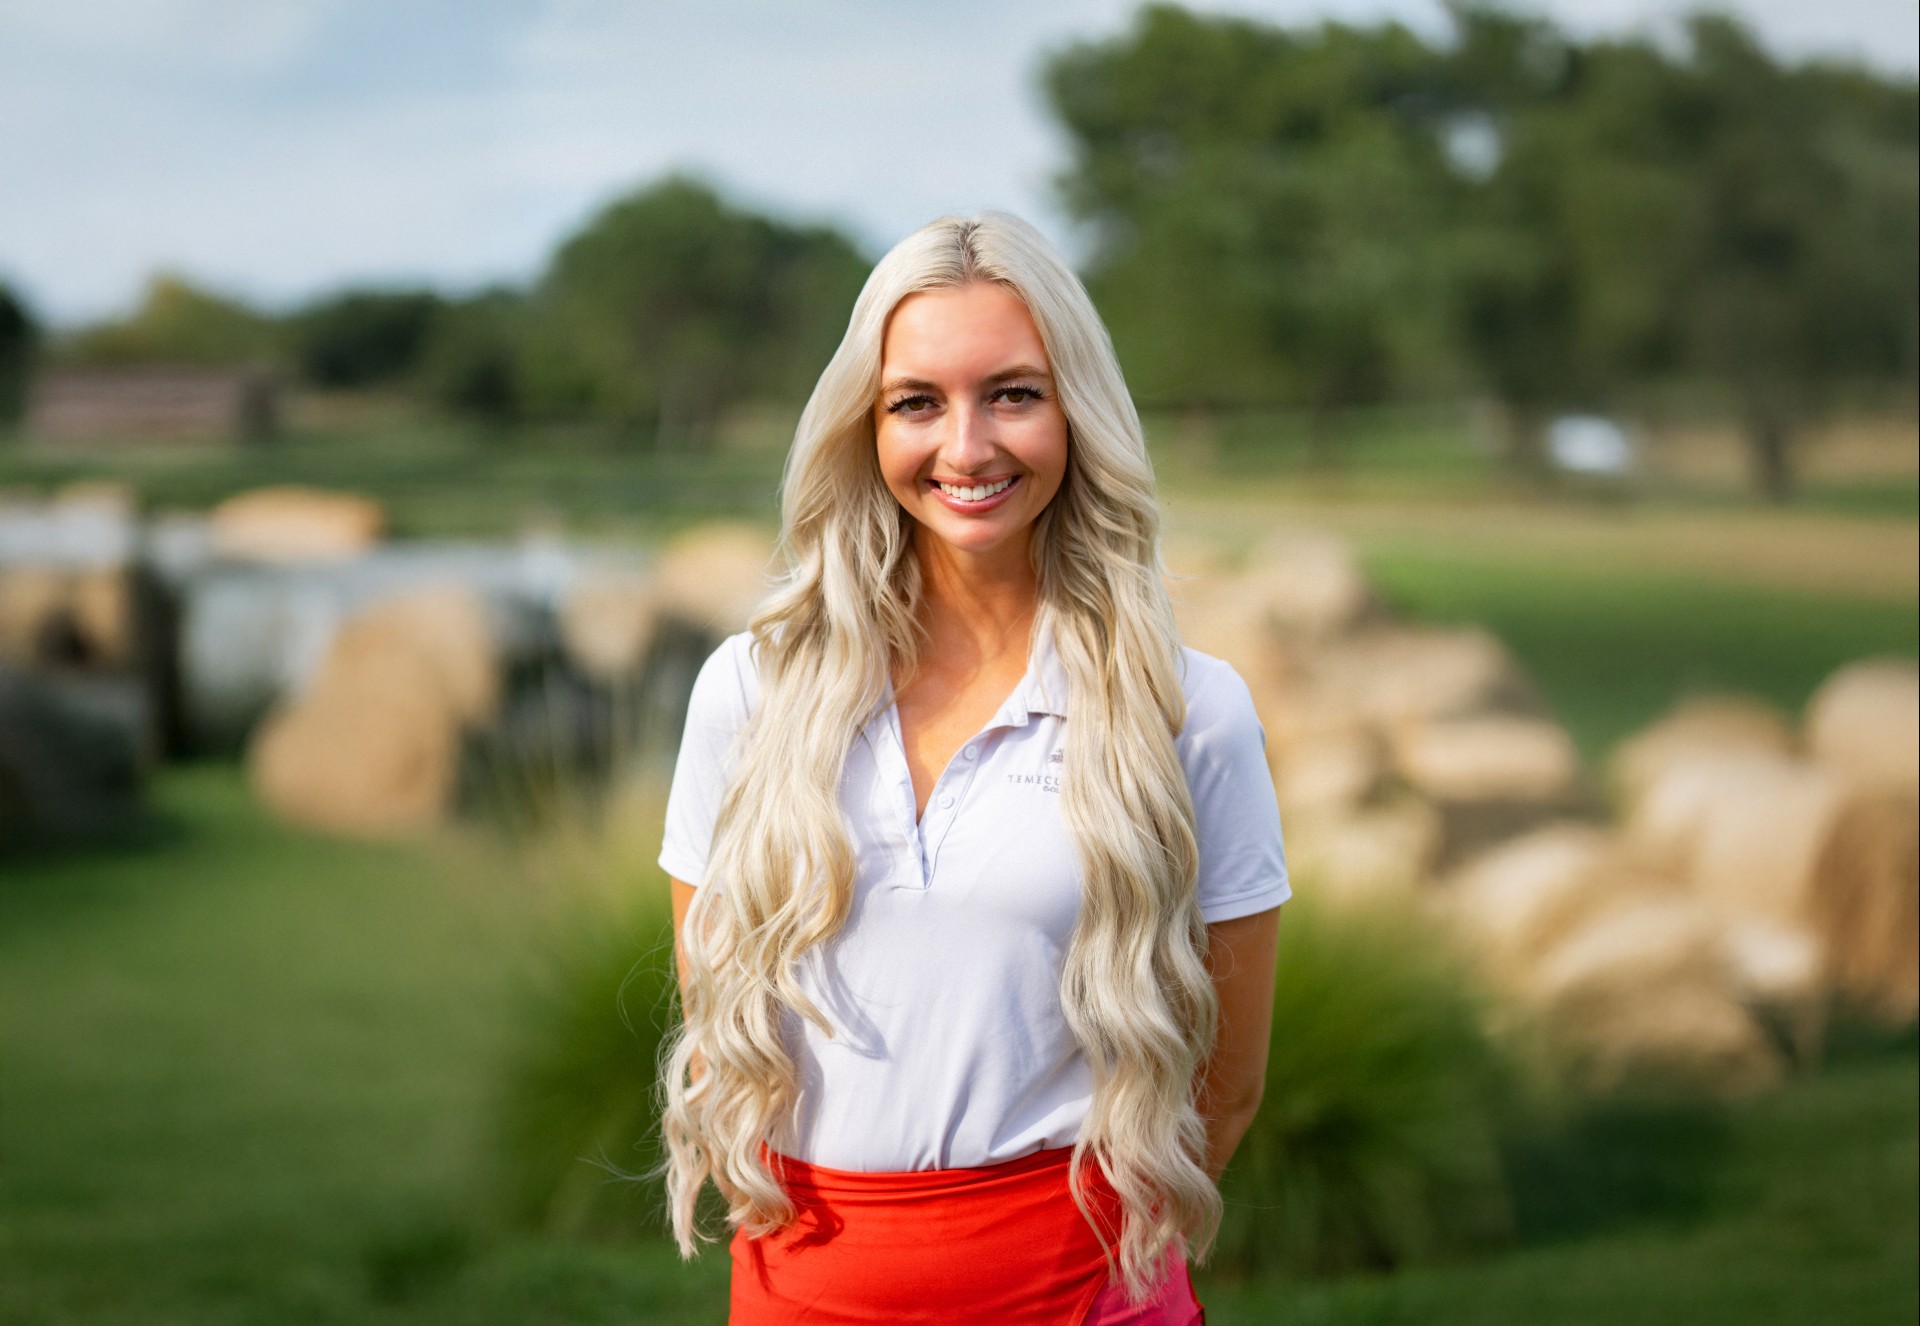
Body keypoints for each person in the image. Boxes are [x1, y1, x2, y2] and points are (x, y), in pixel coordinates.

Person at [657, 212, 1288, 1325]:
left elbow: (1225, 1091)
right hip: (803, 1296)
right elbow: (721, 1029)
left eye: (1013, 393)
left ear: (1077, 413)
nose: (966, 446)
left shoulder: (1190, 712)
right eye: (917, 401)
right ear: (866, 425)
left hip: (1089, 1296)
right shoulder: (748, 693)